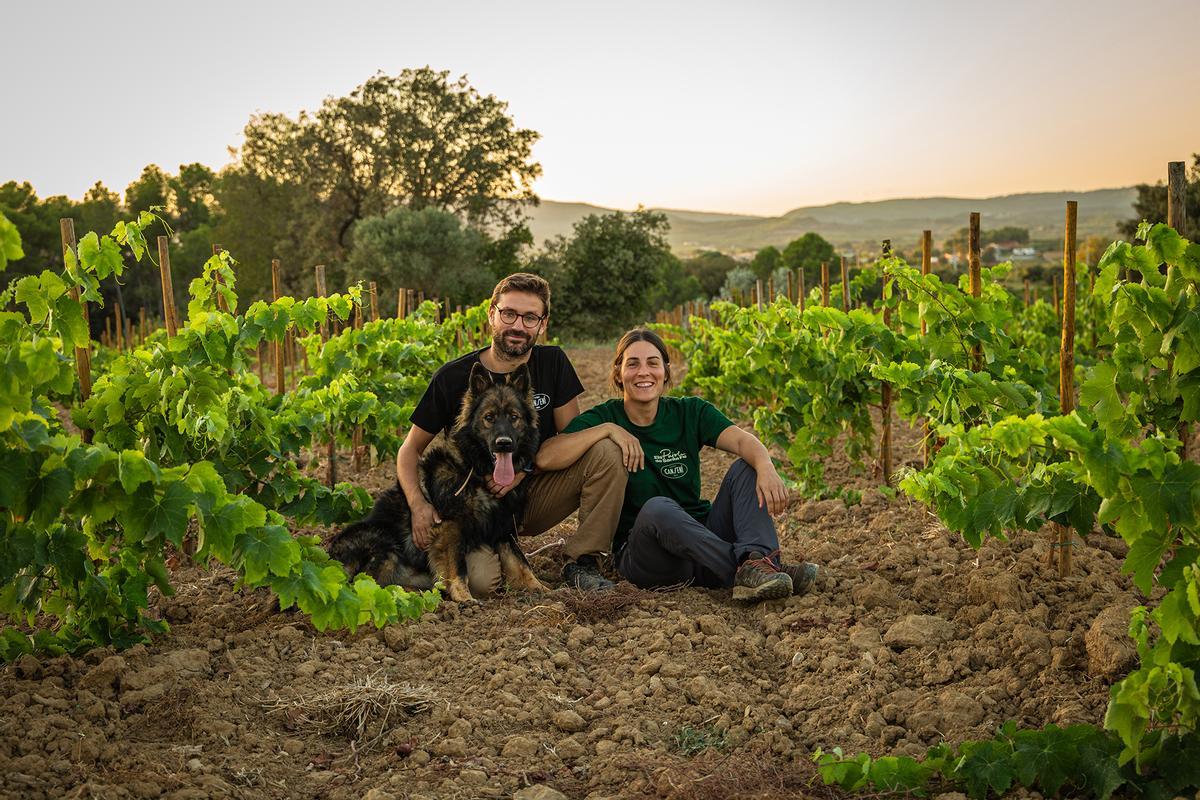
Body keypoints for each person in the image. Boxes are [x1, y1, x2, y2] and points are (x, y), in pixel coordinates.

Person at [536, 328, 818, 602]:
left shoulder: (690, 411)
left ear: (666, 372)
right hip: (648, 554)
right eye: (632, 364)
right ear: (618, 374)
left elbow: (744, 442)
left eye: (653, 363)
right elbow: (546, 455)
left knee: (747, 467)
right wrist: (607, 430)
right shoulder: (604, 417)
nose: (643, 372)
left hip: (701, 539)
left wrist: (766, 466)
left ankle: (758, 563)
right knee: (658, 508)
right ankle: (758, 570)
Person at [398, 273, 627, 596]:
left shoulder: (553, 363)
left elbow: (572, 441)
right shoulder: (453, 377)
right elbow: (409, 450)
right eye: (509, 314)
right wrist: (417, 504)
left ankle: (583, 562)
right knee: (482, 584)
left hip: (534, 494)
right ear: (492, 314)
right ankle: (485, 553)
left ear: (542, 324)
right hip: (474, 506)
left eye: (530, 317)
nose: (518, 325)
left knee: (604, 453)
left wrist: (524, 471)